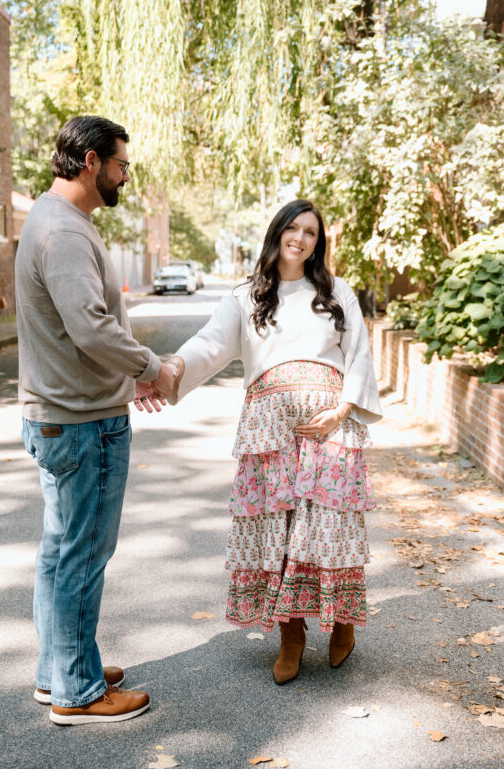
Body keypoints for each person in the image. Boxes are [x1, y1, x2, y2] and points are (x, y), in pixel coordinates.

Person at [138, 199, 382, 684]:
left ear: (319, 242)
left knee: (329, 528)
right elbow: (211, 344)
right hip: (269, 432)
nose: (301, 238)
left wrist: (342, 409)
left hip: (328, 427)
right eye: (292, 228)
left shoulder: (337, 293)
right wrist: (171, 372)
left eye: (311, 232)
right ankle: (291, 635)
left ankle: (342, 623)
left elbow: (359, 354)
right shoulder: (247, 296)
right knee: (280, 531)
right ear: (277, 234)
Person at [16, 115, 175, 725]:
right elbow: (88, 326)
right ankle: (77, 692)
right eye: (120, 165)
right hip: (80, 424)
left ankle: (59, 666)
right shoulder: (63, 231)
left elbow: (80, 325)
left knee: (61, 551)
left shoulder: (56, 220)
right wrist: (151, 366)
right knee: (83, 552)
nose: (125, 175)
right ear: (90, 162)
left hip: (66, 414)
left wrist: (127, 371)